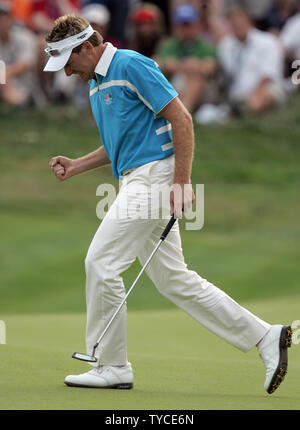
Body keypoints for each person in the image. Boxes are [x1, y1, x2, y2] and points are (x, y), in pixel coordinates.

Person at [45, 14, 292, 394]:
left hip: (155, 177)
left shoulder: (131, 64)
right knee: (174, 279)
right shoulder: (95, 82)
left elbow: (181, 118)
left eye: (69, 62)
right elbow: (119, 144)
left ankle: (111, 365)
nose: (66, 73)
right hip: (134, 178)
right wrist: (78, 165)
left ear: (88, 47)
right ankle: (265, 336)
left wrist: (181, 183)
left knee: (101, 262)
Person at [209, 6, 286, 114]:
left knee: (260, 100)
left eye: (240, 22)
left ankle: (248, 115)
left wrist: (253, 95)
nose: (237, 26)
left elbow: (268, 76)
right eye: (233, 23)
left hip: (264, 88)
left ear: (249, 22)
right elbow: (224, 74)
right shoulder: (226, 45)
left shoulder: (268, 41)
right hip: (236, 93)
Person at [156, 3, 218, 113]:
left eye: (188, 24)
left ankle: (182, 113)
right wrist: (188, 65)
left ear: (197, 24)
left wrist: (180, 66)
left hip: (203, 91)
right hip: (174, 86)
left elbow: (209, 67)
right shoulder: (168, 44)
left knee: (195, 78)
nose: (185, 28)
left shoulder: (206, 45)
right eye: (182, 24)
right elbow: (160, 63)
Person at [0, 3, 37, 107]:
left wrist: (3, 74)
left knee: (3, 79)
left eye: (2, 17)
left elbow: (24, 65)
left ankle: (21, 102)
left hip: (25, 84)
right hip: (5, 81)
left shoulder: (25, 36)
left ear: (11, 19)